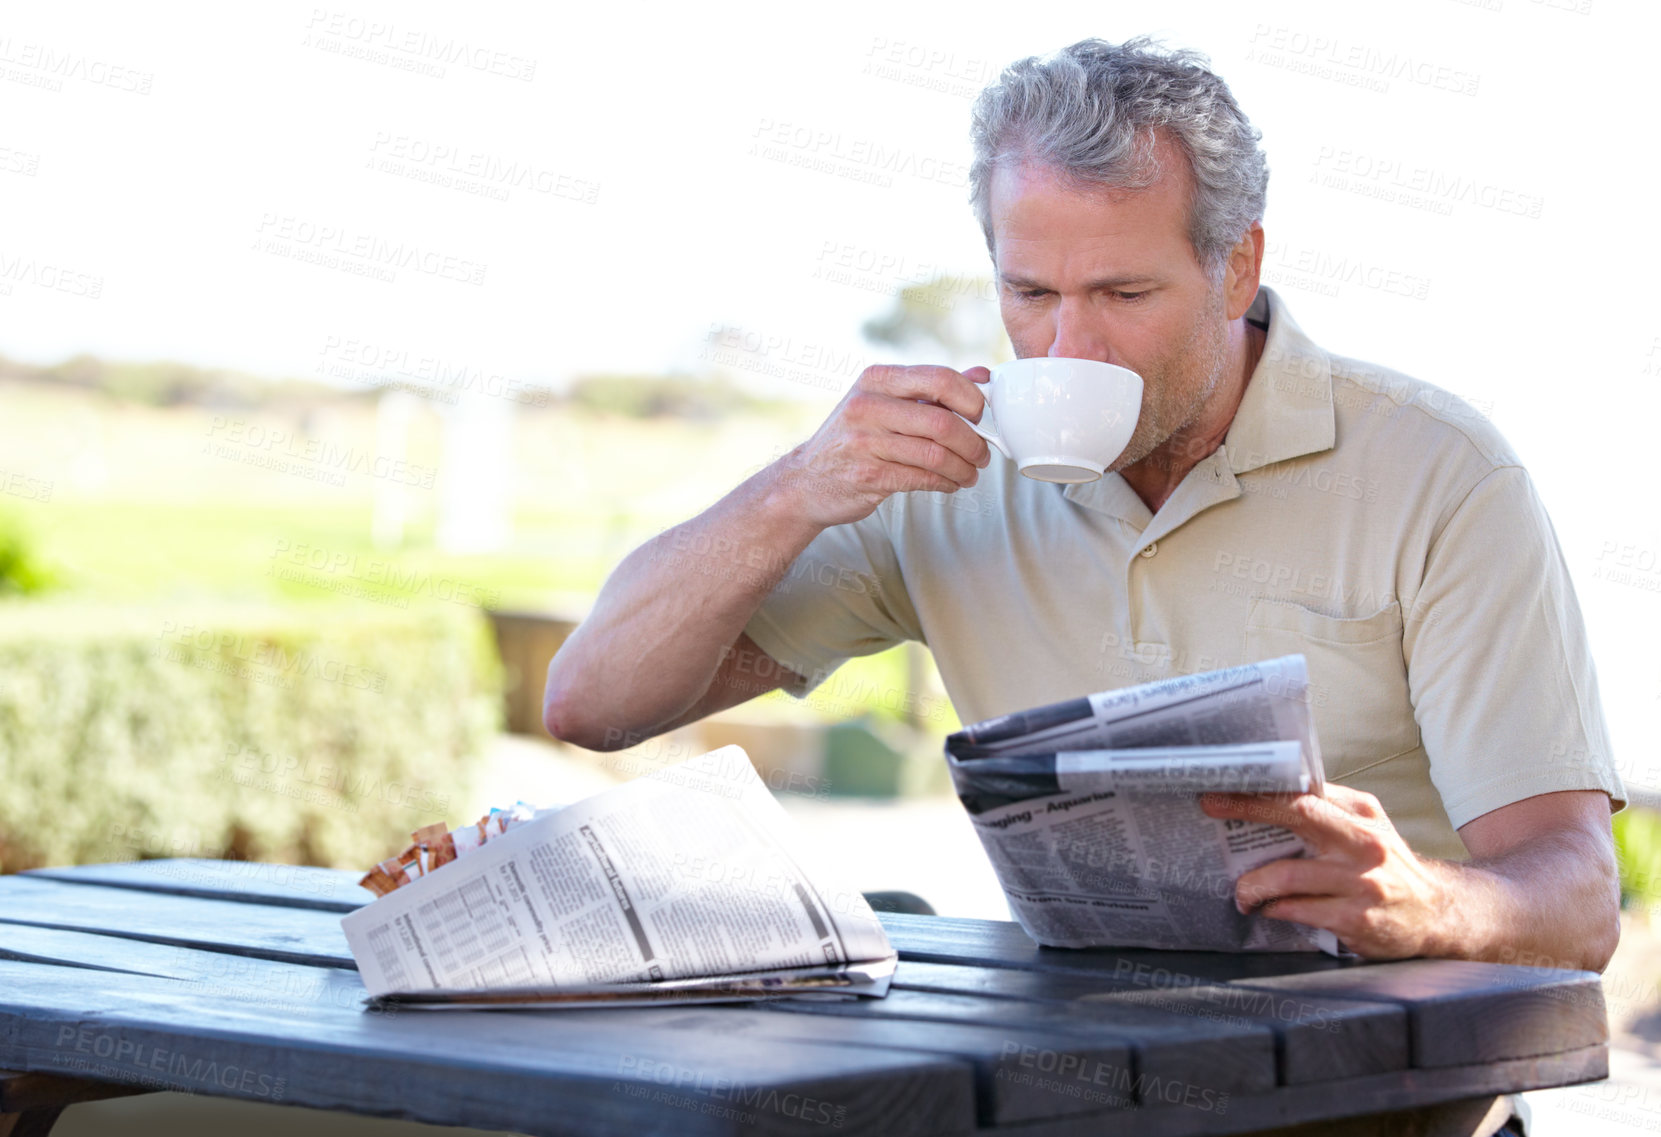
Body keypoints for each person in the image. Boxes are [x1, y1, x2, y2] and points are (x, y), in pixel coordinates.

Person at [543, 37, 1624, 978]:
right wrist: (793, 488)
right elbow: (593, 706)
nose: (1068, 348)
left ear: (1235, 266)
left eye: (1121, 294)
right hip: (1079, 1076)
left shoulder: (1438, 474)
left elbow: (1575, 904)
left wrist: (1424, 905)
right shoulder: (941, 469)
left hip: (1386, 1084)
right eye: (1029, 294)